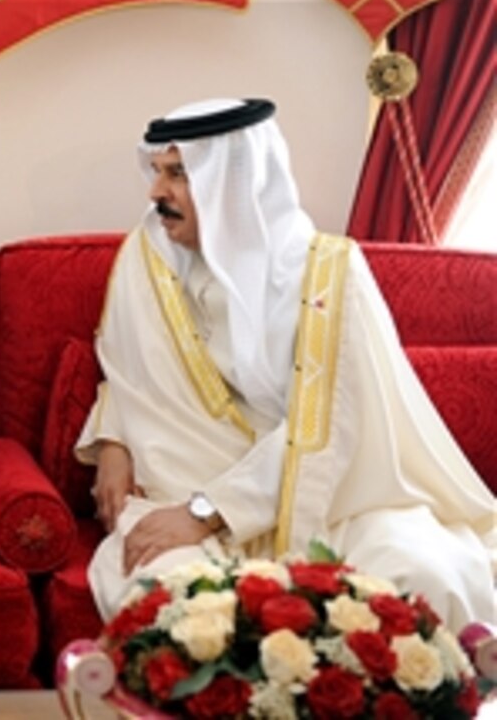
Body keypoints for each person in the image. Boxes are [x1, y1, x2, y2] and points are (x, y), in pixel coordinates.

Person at [77, 97, 496, 632]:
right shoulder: (147, 255)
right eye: (158, 171)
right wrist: (113, 443)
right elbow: (129, 366)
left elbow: (337, 425)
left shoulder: (331, 275)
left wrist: (210, 512)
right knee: (172, 601)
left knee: (423, 574)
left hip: (339, 497)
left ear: (235, 183)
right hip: (187, 476)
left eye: (179, 174)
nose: (156, 192)